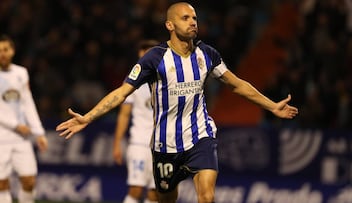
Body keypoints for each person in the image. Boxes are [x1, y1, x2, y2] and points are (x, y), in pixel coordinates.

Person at [56, 2, 299, 203]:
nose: (193, 22)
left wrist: (271, 105)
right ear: (170, 25)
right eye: (185, 18)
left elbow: (236, 84)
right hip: (165, 143)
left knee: (206, 196)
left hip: (200, 135)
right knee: (165, 198)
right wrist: (88, 117)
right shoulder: (155, 58)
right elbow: (121, 93)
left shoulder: (207, 54)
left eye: (194, 17)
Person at [0, 34, 48, 203]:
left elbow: (27, 103)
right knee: (2, 184)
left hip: (22, 138)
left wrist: (39, 132)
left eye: (5, 50)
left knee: (29, 181)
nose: (2, 54)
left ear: (12, 51)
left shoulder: (21, 73)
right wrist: (15, 125)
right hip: (1, 138)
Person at [113, 40, 159, 203]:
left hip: (161, 144)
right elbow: (124, 115)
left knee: (156, 193)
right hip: (139, 142)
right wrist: (117, 142)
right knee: (136, 189)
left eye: (149, 51)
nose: (145, 55)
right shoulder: (132, 81)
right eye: (142, 52)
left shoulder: (167, 78)